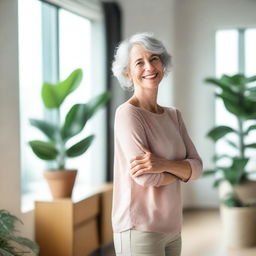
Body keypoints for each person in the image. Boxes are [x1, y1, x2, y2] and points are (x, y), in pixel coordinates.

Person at [111, 32, 203, 256]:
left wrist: (162, 163)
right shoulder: (128, 114)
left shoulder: (174, 116)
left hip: (173, 227)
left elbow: (198, 168)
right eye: (139, 62)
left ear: (163, 63)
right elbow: (145, 177)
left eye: (154, 59)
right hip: (139, 228)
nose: (149, 68)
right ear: (128, 73)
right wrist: (183, 171)